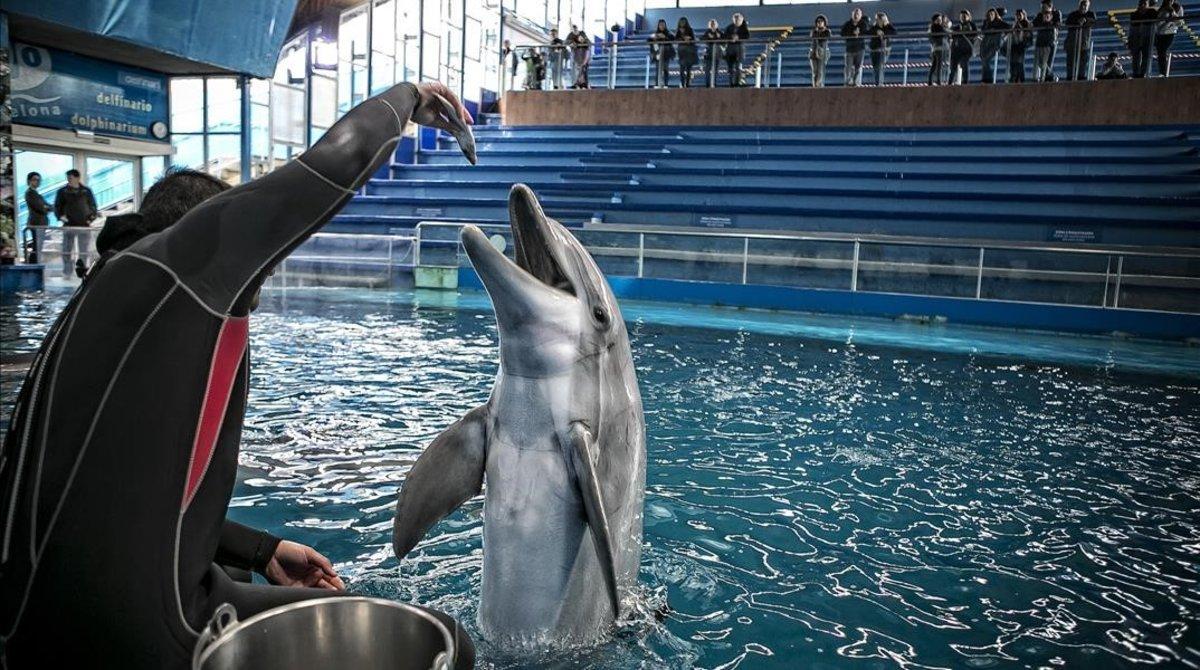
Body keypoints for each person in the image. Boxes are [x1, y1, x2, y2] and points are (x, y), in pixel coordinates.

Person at [0, 81, 478, 670]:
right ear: (203, 229)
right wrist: (406, 101)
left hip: (30, 623)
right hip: (144, 637)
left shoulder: (104, 301)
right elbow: (328, 167)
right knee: (441, 642)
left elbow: (136, 500)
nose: (265, 271)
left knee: (237, 569)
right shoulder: (180, 273)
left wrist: (263, 548)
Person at [52, 168, 98, 278]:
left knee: (84, 250)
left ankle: (82, 271)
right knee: (67, 250)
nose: (69, 180)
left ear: (77, 178)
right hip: (69, 225)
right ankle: (67, 272)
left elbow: (93, 206)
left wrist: (90, 219)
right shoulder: (62, 191)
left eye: (71, 178)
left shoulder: (86, 191)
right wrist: (61, 217)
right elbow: (57, 206)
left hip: (84, 225)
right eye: (68, 178)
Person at [22, 172, 52, 263]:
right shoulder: (30, 193)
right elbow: (40, 207)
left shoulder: (37, 194)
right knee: (37, 246)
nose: (37, 182)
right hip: (36, 223)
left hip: (40, 224)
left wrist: (47, 207)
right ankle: (32, 264)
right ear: (29, 181)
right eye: (35, 180)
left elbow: (48, 206)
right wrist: (46, 208)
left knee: (38, 246)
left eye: (39, 180)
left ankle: (34, 263)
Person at [1064, 0, 1097, 80]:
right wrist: (1077, 22)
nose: (1083, 7)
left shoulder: (1090, 14)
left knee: (1083, 62)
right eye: (1082, 5)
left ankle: (1081, 77)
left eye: (1085, 5)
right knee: (1070, 62)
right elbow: (1067, 23)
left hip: (1084, 43)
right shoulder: (1073, 15)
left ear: (1088, 6)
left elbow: (1094, 22)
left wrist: (1085, 20)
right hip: (1072, 43)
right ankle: (1069, 78)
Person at [980, 8, 1011, 83]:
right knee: (984, 61)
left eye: (992, 14)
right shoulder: (986, 22)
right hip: (985, 43)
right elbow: (982, 31)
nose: (990, 16)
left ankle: (988, 80)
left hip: (994, 44)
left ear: (995, 15)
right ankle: (985, 79)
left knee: (986, 60)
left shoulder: (999, 22)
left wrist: (1003, 38)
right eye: (989, 14)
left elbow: (1009, 28)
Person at [1129, 0, 1159, 77]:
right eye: (1140, 4)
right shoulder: (1134, 14)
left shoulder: (1152, 12)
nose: (1142, 5)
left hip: (1147, 37)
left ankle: (1143, 73)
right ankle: (1136, 73)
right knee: (1136, 56)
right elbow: (1131, 28)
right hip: (1136, 37)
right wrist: (1130, 40)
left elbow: (1156, 24)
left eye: (1144, 4)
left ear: (1148, 4)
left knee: (1146, 56)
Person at [1155, 0, 1185, 76]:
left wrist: (1172, 13)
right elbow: (1157, 22)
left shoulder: (1178, 7)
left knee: (1162, 51)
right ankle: (1162, 72)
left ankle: (1163, 72)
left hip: (1170, 32)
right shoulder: (1162, 8)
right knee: (1160, 53)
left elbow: (1180, 22)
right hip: (1160, 33)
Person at [841, 7, 869, 86]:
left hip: (860, 48)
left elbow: (866, 32)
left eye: (858, 14)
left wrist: (859, 34)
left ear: (860, 15)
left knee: (858, 67)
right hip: (849, 49)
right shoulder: (847, 24)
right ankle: (847, 82)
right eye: (855, 14)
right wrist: (852, 34)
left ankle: (856, 82)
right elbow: (842, 33)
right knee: (848, 67)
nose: (856, 16)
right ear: (852, 14)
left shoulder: (863, 24)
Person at [950, 10, 979, 84]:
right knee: (953, 67)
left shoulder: (972, 25)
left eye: (964, 16)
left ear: (969, 17)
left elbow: (975, 34)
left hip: (967, 49)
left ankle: (965, 83)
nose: (962, 18)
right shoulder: (957, 27)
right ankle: (950, 83)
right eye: (961, 16)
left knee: (964, 64)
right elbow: (952, 35)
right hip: (957, 50)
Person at [1033, 3, 1060, 81]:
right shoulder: (1040, 15)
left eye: (1044, 7)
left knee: (1047, 63)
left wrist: (1049, 22)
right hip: (1040, 42)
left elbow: (1057, 24)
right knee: (1041, 63)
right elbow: (1034, 24)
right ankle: (1050, 77)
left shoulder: (1055, 13)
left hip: (1050, 42)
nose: (1042, 9)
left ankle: (1049, 77)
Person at [868, 12, 897, 85]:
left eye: (878, 19)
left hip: (883, 49)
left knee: (879, 66)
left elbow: (894, 32)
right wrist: (877, 32)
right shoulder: (874, 27)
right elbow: (869, 32)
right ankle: (878, 82)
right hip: (874, 49)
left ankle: (879, 84)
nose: (877, 20)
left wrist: (883, 33)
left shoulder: (887, 26)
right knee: (875, 67)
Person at [723, 13, 750, 86]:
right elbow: (724, 36)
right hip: (730, 49)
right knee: (730, 68)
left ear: (741, 20)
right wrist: (731, 38)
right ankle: (731, 83)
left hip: (739, 49)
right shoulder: (729, 27)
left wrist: (738, 37)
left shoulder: (744, 27)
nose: (736, 21)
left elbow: (747, 36)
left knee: (738, 67)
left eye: (738, 19)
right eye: (735, 19)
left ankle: (737, 82)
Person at [649, 19, 676, 88]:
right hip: (657, 53)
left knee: (666, 69)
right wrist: (654, 37)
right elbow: (649, 40)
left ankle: (666, 84)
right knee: (658, 69)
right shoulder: (655, 33)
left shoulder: (668, 33)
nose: (662, 26)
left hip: (666, 53)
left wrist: (665, 37)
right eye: (660, 25)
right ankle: (657, 84)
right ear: (658, 26)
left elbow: (673, 38)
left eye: (663, 25)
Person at [1008, 8, 1034, 82]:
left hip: (1022, 45)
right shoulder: (1015, 24)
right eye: (1017, 15)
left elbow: (1029, 36)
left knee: (1019, 62)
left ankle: (1019, 79)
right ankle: (1014, 78)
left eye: (1019, 15)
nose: (1018, 17)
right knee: (1013, 62)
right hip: (1015, 45)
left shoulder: (1027, 24)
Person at [810, 15, 833, 87]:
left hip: (823, 52)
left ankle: (819, 85)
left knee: (820, 71)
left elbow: (826, 38)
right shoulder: (814, 31)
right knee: (814, 71)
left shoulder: (827, 31)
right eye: (818, 22)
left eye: (821, 21)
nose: (819, 23)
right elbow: (813, 38)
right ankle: (815, 85)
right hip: (813, 53)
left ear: (824, 22)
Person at [676, 17, 699, 87]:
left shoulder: (690, 30)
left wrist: (689, 39)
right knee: (682, 68)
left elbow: (693, 39)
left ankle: (687, 83)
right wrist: (683, 39)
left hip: (689, 51)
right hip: (681, 52)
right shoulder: (678, 31)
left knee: (688, 69)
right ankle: (682, 83)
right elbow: (676, 38)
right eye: (681, 22)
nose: (682, 23)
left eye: (684, 21)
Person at [928, 14, 951, 85]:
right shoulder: (938, 27)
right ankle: (938, 81)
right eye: (938, 19)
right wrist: (948, 27)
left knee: (934, 65)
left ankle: (930, 81)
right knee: (939, 66)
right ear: (934, 20)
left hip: (935, 49)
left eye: (940, 19)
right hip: (939, 49)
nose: (940, 21)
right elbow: (947, 32)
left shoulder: (932, 27)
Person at [701, 19, 723, 87]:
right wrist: (709, 37)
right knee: (707, 69)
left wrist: (718, 37)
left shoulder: (720, 32)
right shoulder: (707, 32)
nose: (713, 26)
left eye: (714, 24)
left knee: (716, 70)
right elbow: (702, 39)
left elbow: (724, 41)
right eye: (711, 24)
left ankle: (714, 83)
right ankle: (707, 84)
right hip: (708, 54)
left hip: (717, 53)